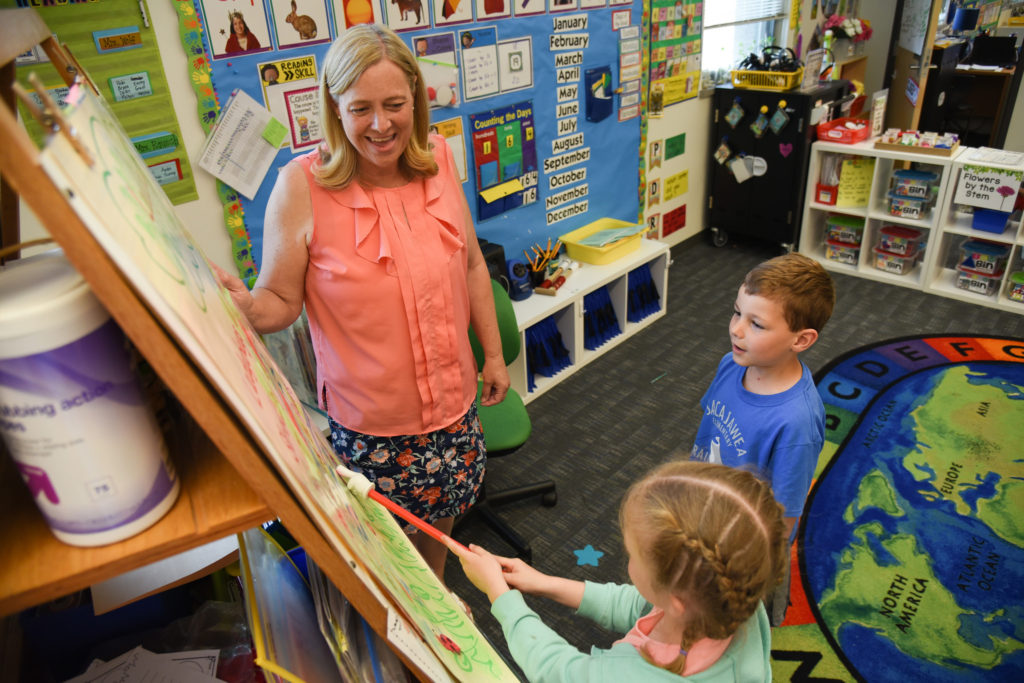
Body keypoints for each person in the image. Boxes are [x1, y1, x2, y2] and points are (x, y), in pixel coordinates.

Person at [215, 24, 508, 581]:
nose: (381, 125)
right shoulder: (301, 185)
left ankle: (439, 614)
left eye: (396, 104)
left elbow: (471, 262)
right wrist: (243, 307)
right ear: (334, 107)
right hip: (373, 429)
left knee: (438, 538)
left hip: (453, 409)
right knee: (386, 561)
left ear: (417, 100)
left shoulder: (440, 158)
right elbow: (280, 299)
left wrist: (492, 355)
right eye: (361, 109)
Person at [446, 461, 787, 680]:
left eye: (633, 556)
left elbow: (556, 670)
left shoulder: (628, 675)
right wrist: (544, 584)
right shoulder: (734, 592)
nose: (628, 562)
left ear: (677, 599)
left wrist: (501, 599)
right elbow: (634, 605)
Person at [690, 252, 835, 624]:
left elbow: (782, 519)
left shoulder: (795, 423)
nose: (736, 330)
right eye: (737, 312)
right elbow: (710, 432)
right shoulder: (731, 365)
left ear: (801, 339)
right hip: (703, 517)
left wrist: (743, 569)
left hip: (742, 556)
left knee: (724, 631)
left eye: (757, 324)